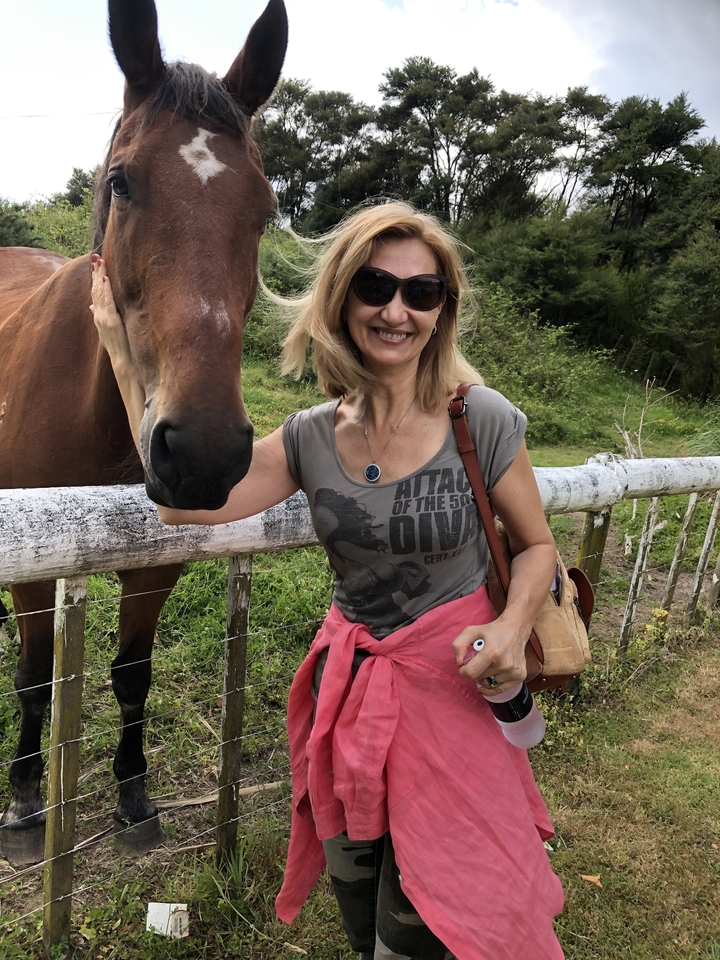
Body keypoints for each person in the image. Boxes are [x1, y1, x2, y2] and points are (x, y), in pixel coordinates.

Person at [91, 201, 565, 960]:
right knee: (359, 914)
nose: (396, 311)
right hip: (350, 702)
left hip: (456, 693)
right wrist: (123, 357)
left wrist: (511, 628)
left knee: (426, 922)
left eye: (421, 292)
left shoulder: (479, 418)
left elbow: (536, 545)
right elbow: (185, 505)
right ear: (342, 297)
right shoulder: (310, 435)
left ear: (442, 311)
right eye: (376, 286)